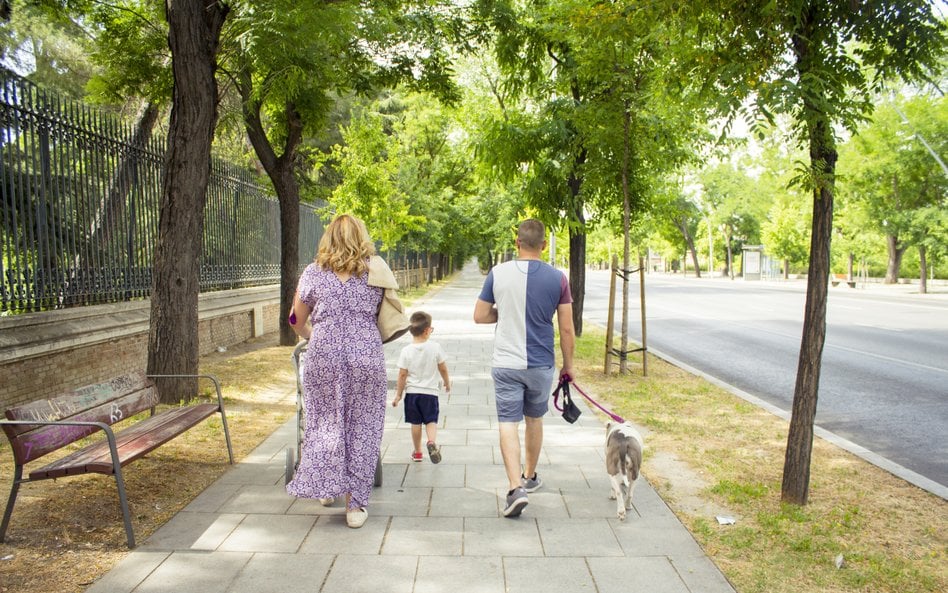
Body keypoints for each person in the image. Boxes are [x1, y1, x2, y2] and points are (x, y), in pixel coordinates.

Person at [286, 214, 391, 529]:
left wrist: (311, 335)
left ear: (328, 238)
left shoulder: (314, 274)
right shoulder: (376, 270)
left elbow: (294, 318)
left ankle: (326, 486)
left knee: (324, 423)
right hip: (366, 357)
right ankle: (355, 505)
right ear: (362, 237)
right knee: (363, 427)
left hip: (324, 357)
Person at [473, 218, 575, 518]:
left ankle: (514, 487)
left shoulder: (498, 273)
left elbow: (479, 316)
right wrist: (569, 366)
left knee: (507, 422)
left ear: (517, 243)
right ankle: (530, 477)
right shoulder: (558, 278)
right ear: (543, 245)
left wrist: (504, 314)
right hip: (541, 363)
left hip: (506, 362)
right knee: (534, 419)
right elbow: (567, 330)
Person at [392, 311, 451, 464]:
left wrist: (399, 395)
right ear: (426, 331)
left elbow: (402, 375)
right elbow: (443, 368)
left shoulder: (406, 351)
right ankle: (431, 442)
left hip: (412, 394)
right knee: (431, 421)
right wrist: (447, 381)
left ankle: (418, 452)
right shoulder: (435, 347)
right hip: (430, 394)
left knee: (416, 423)